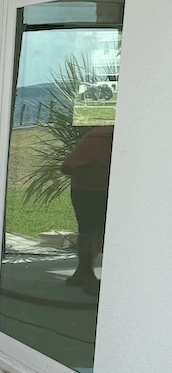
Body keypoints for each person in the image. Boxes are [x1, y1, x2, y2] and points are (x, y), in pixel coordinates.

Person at [60, 124, 113, 296]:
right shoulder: (98, 138)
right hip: (87, 192)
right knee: (92, 232)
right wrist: (96, 168)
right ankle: (89, 277)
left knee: (92, 232)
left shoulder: (107, 135)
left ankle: (83, 273)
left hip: (100, 190)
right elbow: (66, 167)